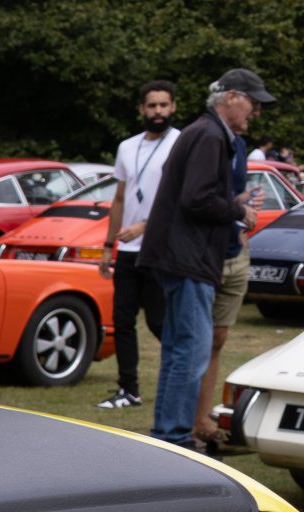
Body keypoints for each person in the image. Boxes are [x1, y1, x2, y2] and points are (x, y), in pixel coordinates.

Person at [141, 68, 270, 448]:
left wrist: (231, 204)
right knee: (192, 352)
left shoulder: (204, 132)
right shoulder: (211, 135)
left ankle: (167, 435)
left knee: (181, 350)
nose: (256, 113)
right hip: (187, 259)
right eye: (253, 103)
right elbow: (196, 199)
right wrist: (237, 211)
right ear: (231, 97)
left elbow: (191, 193)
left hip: (177, 256)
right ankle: (175, 437)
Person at [99, 80, 179, 412]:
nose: (158, 112)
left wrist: (145, 226)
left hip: (161, 250)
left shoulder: (180, 143)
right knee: (123, 321)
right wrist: (108, 245)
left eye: (163, 105)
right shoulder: (127, 147)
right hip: (128, 252)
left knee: (160, 323)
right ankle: (128, 389)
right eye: (152, 106)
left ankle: (180, 384)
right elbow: (119, 198)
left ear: (173, 107)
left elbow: (179, 200)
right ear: (141, 109)